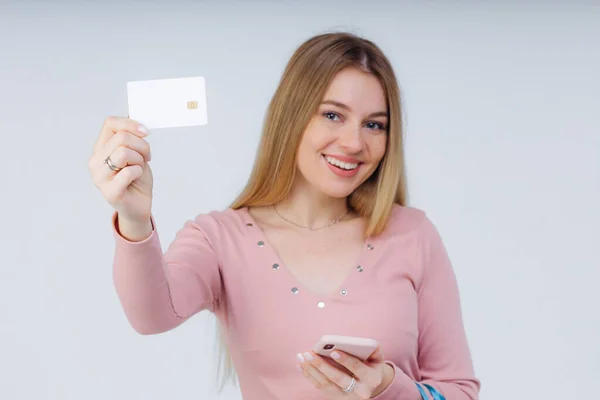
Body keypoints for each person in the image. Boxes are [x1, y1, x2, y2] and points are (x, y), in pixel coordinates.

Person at [89, 32, 480, 400]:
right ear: (291, 115)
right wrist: (134, 218)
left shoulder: (413, 235)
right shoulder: (220, 238)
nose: (354, 142)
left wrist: (388, 388)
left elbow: (459, 390)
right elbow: (152, 315)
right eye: (332, 115)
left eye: (374, 124)